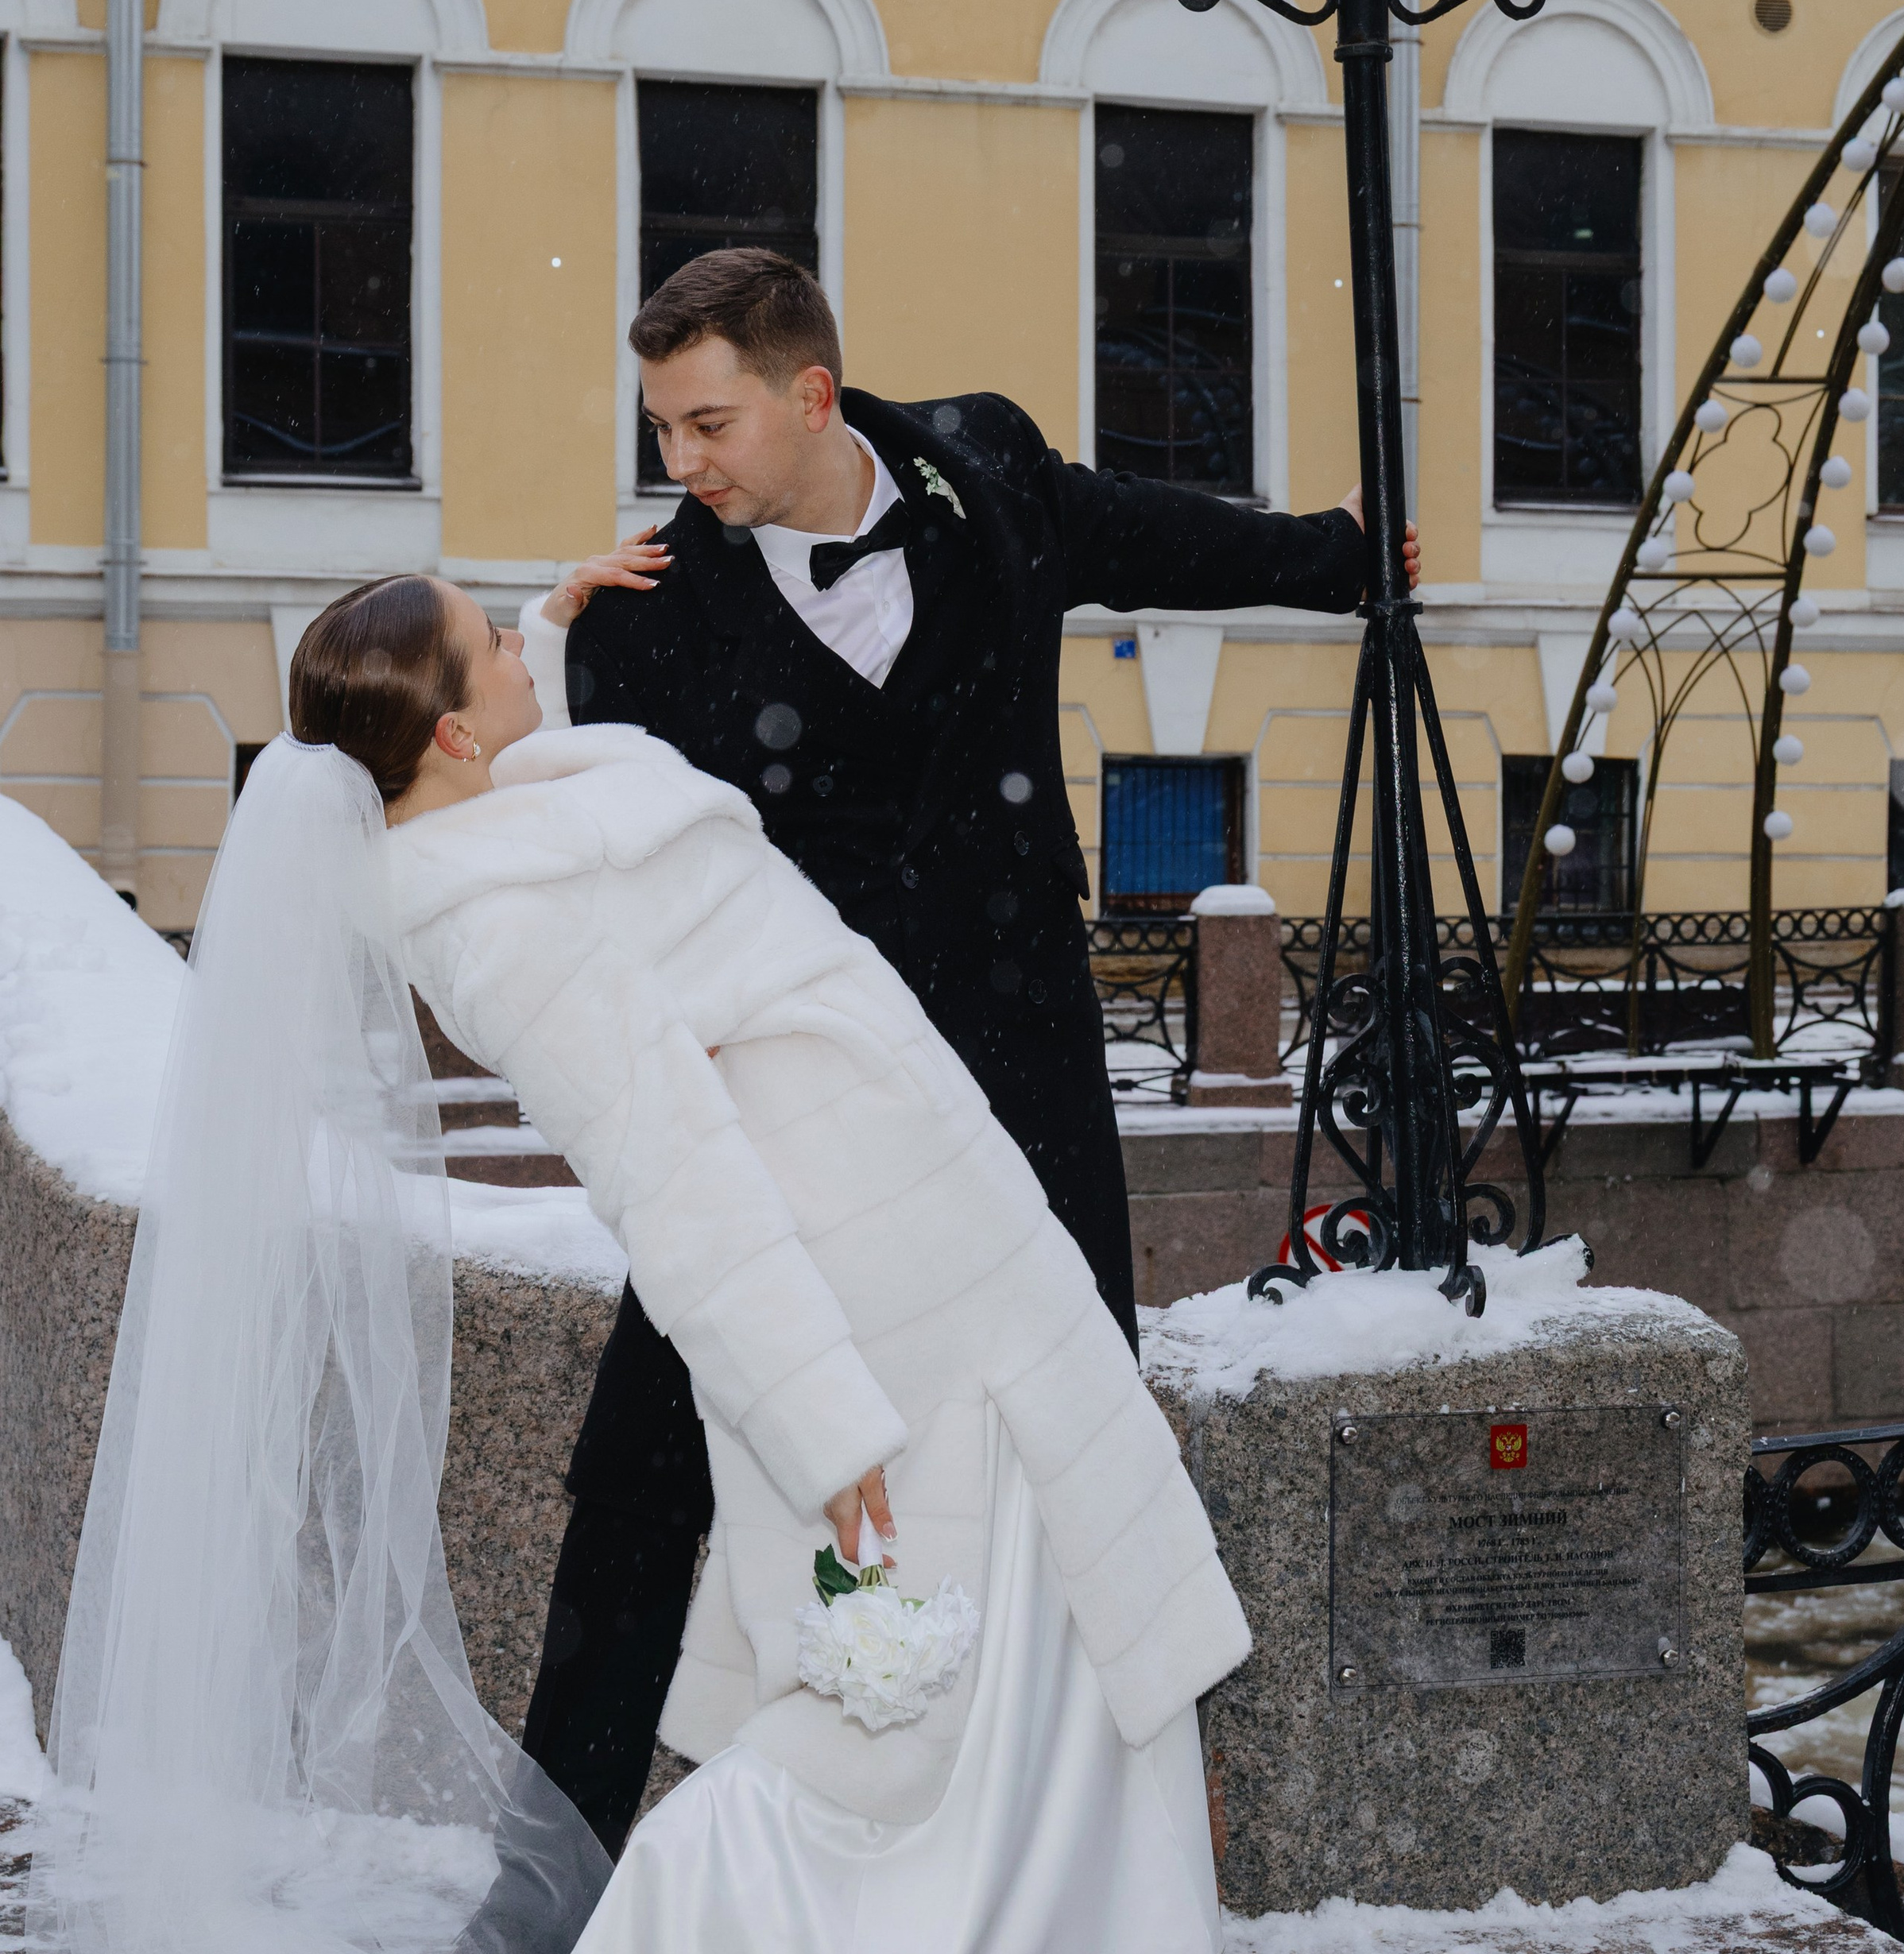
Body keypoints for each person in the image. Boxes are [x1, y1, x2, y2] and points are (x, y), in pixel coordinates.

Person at [33, 573, 1248, 1954]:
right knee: (906, 1664)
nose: (514, 634)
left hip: (917, 1219)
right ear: (455, 731)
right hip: (844, 1268)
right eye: (487, 638)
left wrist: (546, 625)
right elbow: (674, 1177)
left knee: (1032, 1593)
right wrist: (816, 1414)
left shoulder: (490, 811)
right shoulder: (493, 916)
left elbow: (567, 821)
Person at [515, 247, 1414, 1856]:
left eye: (706, 420)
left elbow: (1145, 532)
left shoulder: (981, 461)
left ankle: (1070, 1859)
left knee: (1076, 1405)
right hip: (792, 1080)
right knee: (653, 1447)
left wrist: (1335, 555)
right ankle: (546, 1878)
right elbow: (606, 882)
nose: (681, 462)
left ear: (809, 392)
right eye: (660, 428)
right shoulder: (646, 618)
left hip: (1014, 1043)